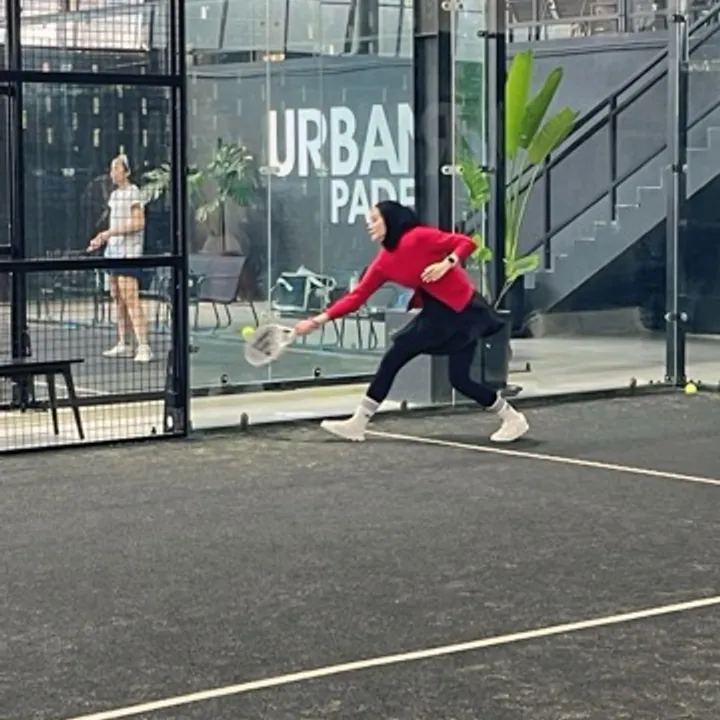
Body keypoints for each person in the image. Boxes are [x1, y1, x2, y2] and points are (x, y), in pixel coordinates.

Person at [293, 200, 529, 443]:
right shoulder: (383, 262)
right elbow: (357, 297)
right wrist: (317, 321)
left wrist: (446, 264)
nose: (369, 225)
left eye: (374, 219)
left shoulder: (418, 237)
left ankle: (358, 423)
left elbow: (465, 242)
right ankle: (512, 418)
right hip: (441, 313)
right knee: (460, 380)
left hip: (464, 310)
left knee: (396, 355)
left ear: (390, 220)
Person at [88, 154, 153, 363]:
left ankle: (144, 346)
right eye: (111, 169)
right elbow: (114, 224)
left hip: (129, 253)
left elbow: (138, 223)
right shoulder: (115, 196)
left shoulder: (133, 193)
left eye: (116, 169)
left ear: (127, 172)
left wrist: (109, 233)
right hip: (113, 252)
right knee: (117, 297)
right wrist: (101, 238)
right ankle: (124, 343)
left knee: (131, 298)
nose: (112, 173)